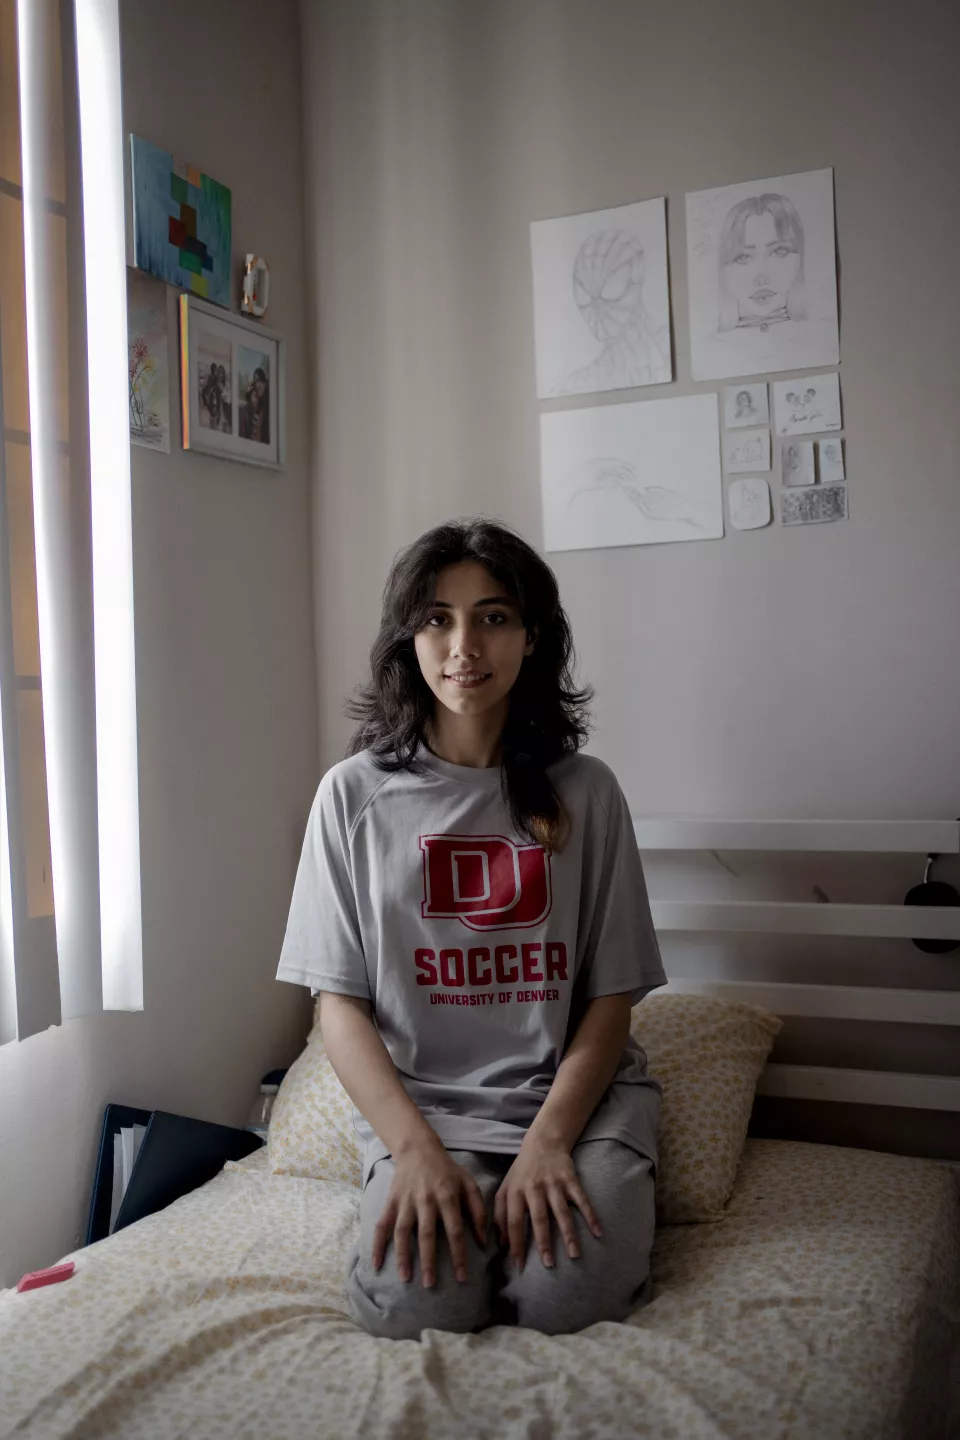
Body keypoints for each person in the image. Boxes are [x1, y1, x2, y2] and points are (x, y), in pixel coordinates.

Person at [277, 519, 666, 1338]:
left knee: (569, 1298)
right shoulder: (351, 797)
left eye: (493, 616)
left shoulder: (587, 794)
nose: (464, 645)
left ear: (533, 638)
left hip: (573, 1110)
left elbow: (609, 997)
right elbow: (337, 1007)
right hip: (427, 1115)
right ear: (406, 639)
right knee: (419, 1311)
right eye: (436, 619)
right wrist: (412, 1151)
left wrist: (550, 1144)